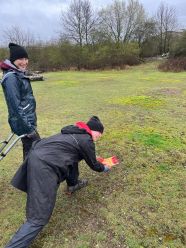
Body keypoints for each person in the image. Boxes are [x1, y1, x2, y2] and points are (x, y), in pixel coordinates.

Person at [5, 116, 111, 247]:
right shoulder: (86, 140)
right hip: (44, 166)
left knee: (72, 161)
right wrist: (104, 167)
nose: (99, 137)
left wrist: (93, 157)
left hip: (38, 154)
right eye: (99, 134)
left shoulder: (75, 132)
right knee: (39, 216)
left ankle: (73, 184)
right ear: (93, 130)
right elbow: (94, 165)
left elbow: (76, 152)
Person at [0, 43, 40, 160]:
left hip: (27, 121)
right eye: (21, 59)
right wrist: (28, 128)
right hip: (24, 124)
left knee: (32, 153)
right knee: (37, 152)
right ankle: (27, 177)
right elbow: (15, 106)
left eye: (26, 58)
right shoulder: (11, 78)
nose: (25, 62)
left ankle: (28, 176)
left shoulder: (18, 74)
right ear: (13, 60)